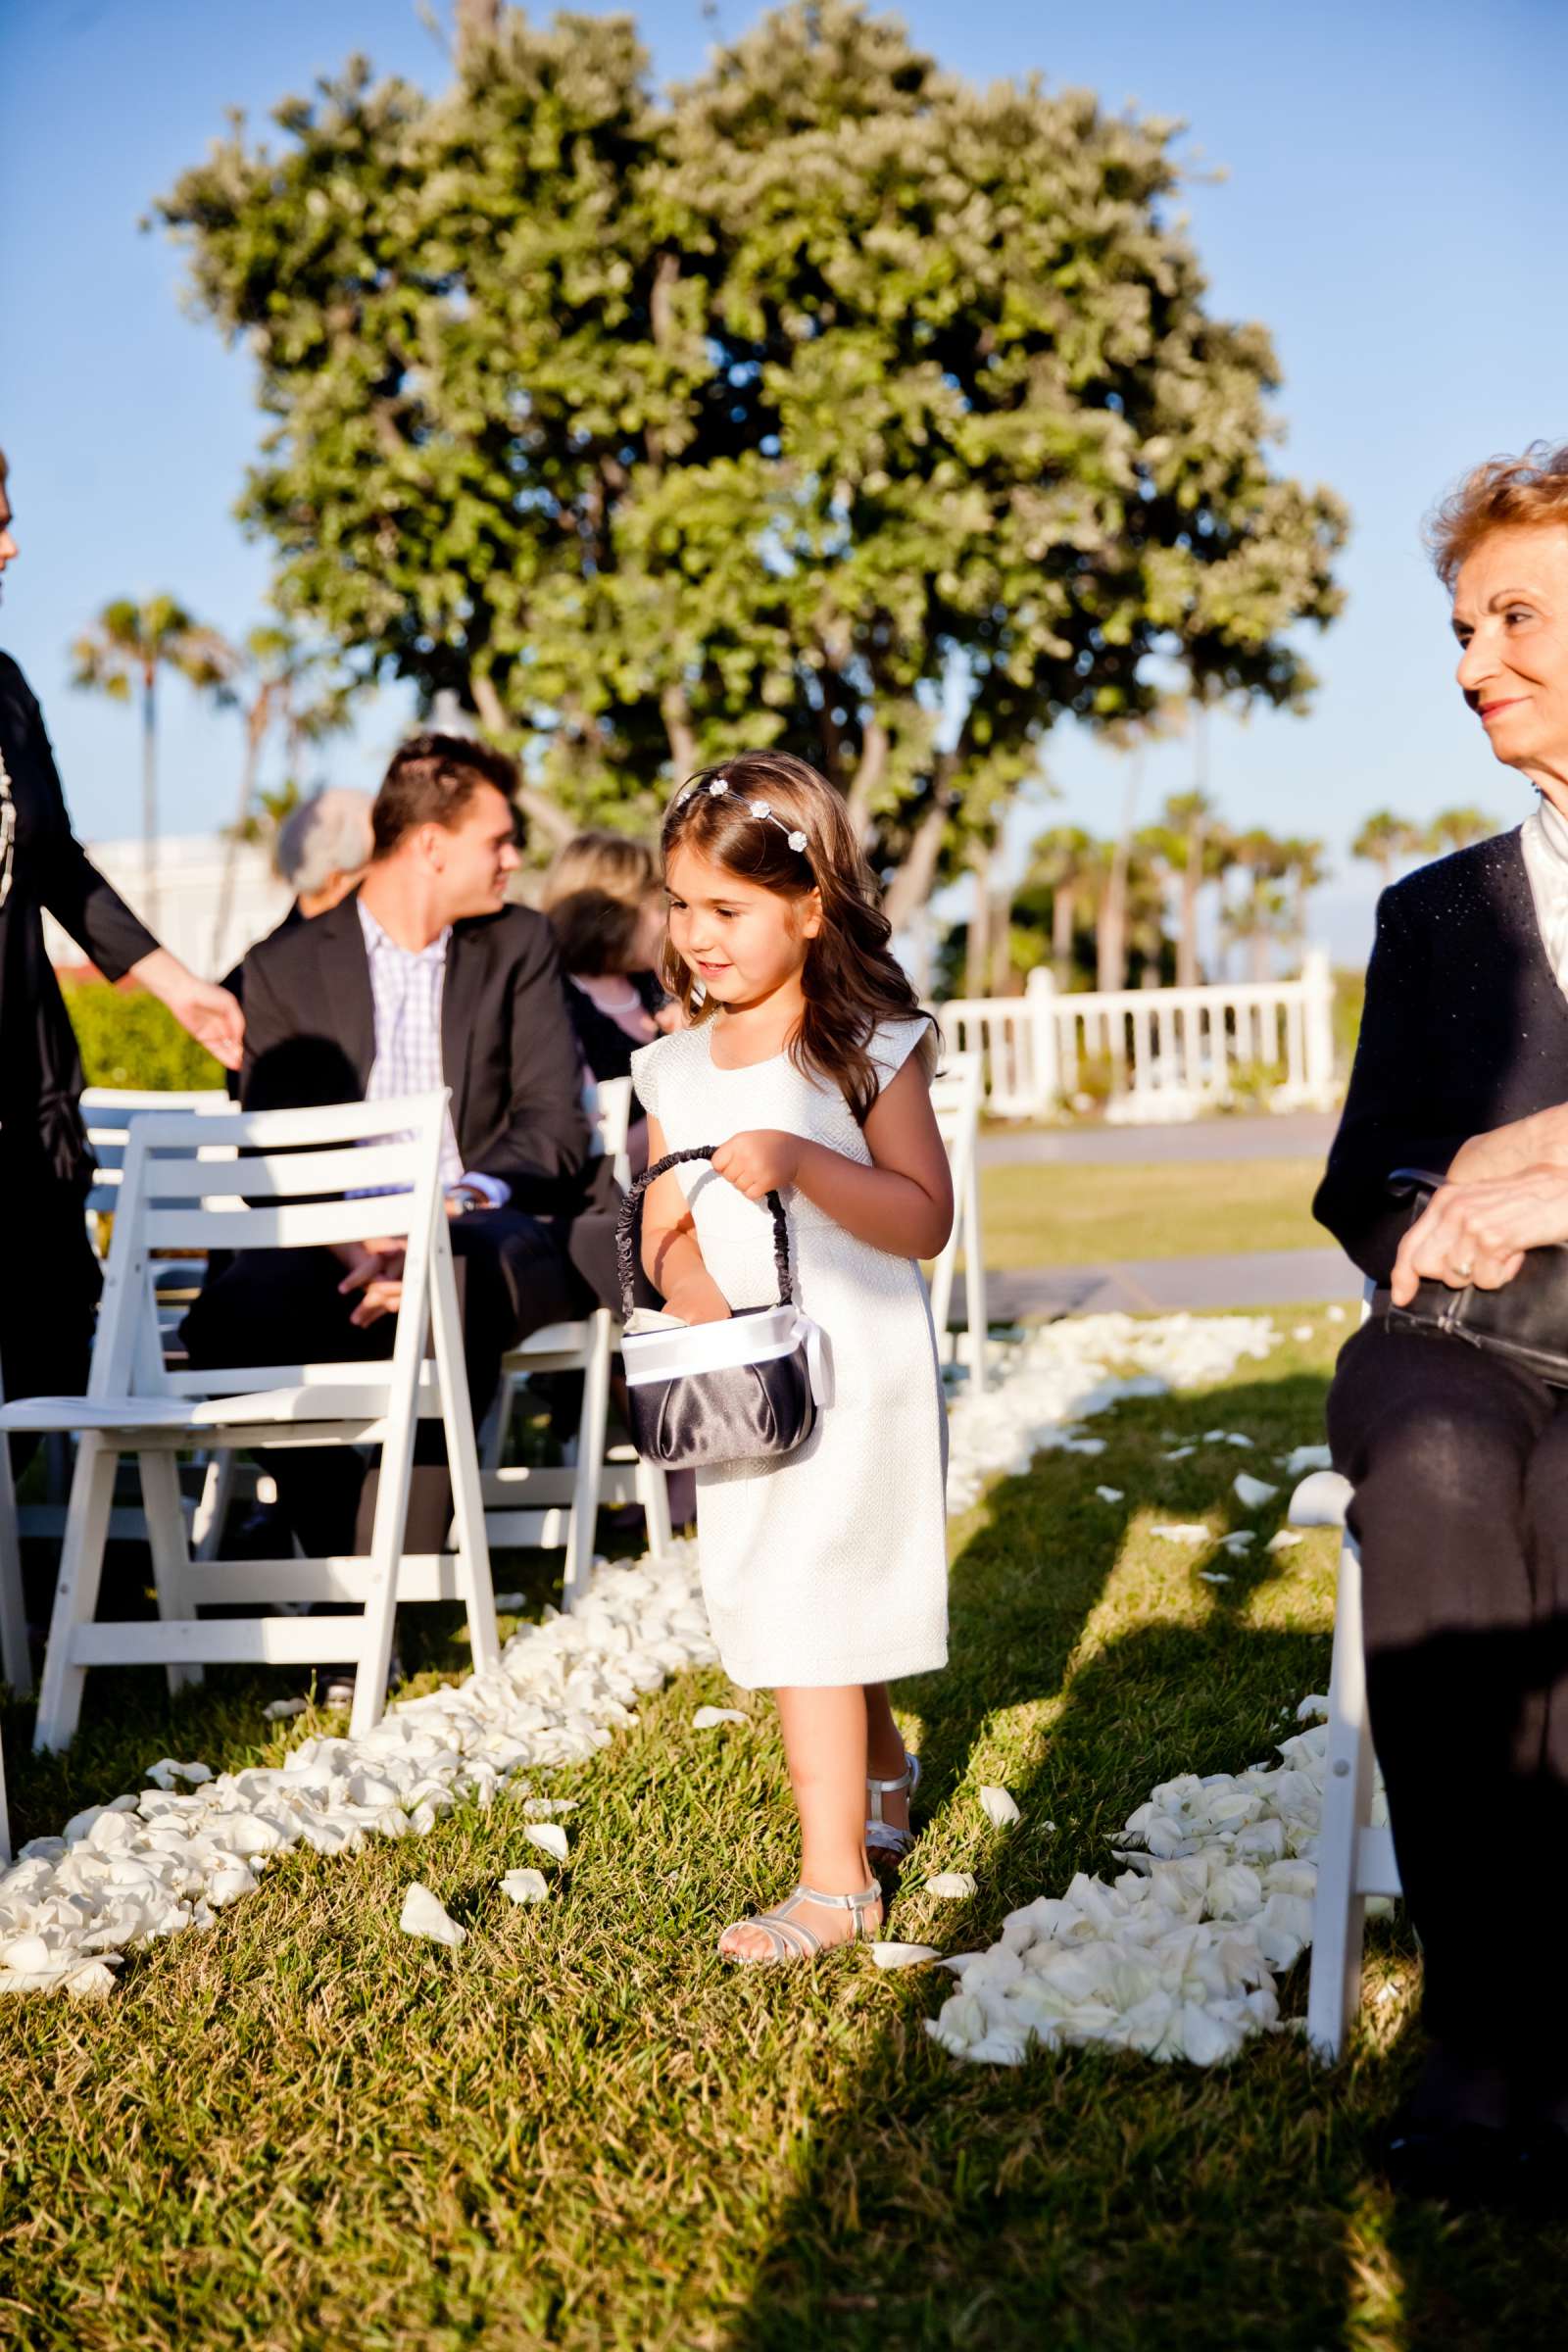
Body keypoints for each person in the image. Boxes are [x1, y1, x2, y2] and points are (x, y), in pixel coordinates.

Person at [1315, 441, 1568, 2205]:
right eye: (1464, 627)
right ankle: (1485, 2028)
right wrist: (1450, 1202)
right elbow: (1368, 1179)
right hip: (1461, 1336)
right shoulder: (1435, 914)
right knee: (1428, 1465)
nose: (1475, 662)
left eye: (1519, 616)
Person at [628, 750, 952, 1962]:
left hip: (855, 1374)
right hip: (743, 1381)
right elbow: (662, 1224)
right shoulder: (667, 1067)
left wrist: (806, 1162)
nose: (697, 936)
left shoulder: (861, 1042)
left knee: (817, 1602)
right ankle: (882, 1783)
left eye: (728, 910)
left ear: (810, 910)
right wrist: (696, 1285)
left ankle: (835, 1887)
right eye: (680, 906)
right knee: (790, 1592)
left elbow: (922, 1216)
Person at [181, 732, 609, 1634]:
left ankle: (371, 1628)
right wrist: (356, 1242)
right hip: (332, 1245)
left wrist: (441, 1213)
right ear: (430, 845)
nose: (514, 858)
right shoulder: (284, 968)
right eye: (498, 838)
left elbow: (552, 1125)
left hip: (479, 1231)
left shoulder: (519, 943)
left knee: (443, 1283)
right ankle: (357, 1568)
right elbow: (279, 1152)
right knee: (232, 1313)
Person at [0, 445, 243, 1426]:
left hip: (26, 1084)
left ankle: (58, 1576)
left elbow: (56, 863)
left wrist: (180, 985)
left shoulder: (7, 689)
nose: (13, 547)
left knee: (54, 1334)